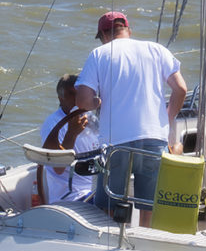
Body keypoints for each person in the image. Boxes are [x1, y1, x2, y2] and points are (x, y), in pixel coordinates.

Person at [76, 11, 188, 226]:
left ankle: (111, 246)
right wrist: (167, 118)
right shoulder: (157, 50)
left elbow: (83, 100)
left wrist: (97, 103)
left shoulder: (99, 54)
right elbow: (181, 89)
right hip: (154, 137)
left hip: (116, 141)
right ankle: (143, 242)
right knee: (149, 205)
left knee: (108, 205)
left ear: (103, 35)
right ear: (128, 29)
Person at [38, 74, 101, 203]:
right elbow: (58, 168)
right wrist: (71, 134)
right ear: (61, 99)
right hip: (72, 197)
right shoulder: (52, 124)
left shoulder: (91, 118)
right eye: (72, 94)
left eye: (80, 94)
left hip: (96, 189)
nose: (77, 99)